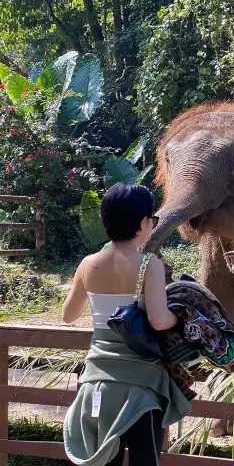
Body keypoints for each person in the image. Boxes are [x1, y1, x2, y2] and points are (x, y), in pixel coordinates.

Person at [62, 183, 191, 466]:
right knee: (145, 460)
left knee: (106, 460)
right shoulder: (150, 264)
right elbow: (159, 320)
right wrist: (180, 317)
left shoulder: (88, 264)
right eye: (152, 220)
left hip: (97, 380)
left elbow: (68, 315)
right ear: (143, 223)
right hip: (141, 383)